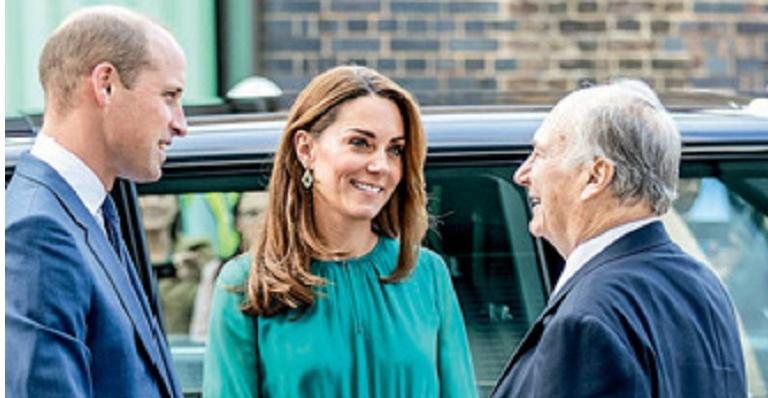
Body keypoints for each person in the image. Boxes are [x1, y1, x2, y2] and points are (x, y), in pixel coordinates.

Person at [203, 65, 478, 397]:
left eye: (395, 150)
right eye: (360, 143)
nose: (380, 166)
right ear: (306, 149)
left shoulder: (427, 275)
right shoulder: (246, 284)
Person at [491, 80, 746, 397]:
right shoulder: (704, 285)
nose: (522, 174)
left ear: (595, 177)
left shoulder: (586, 318)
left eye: (540, 154)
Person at [5, 6, 187, 397]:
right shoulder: (38, 230)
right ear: (105, 84)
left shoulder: (90, 208)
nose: (180, 123)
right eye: (169, 96)